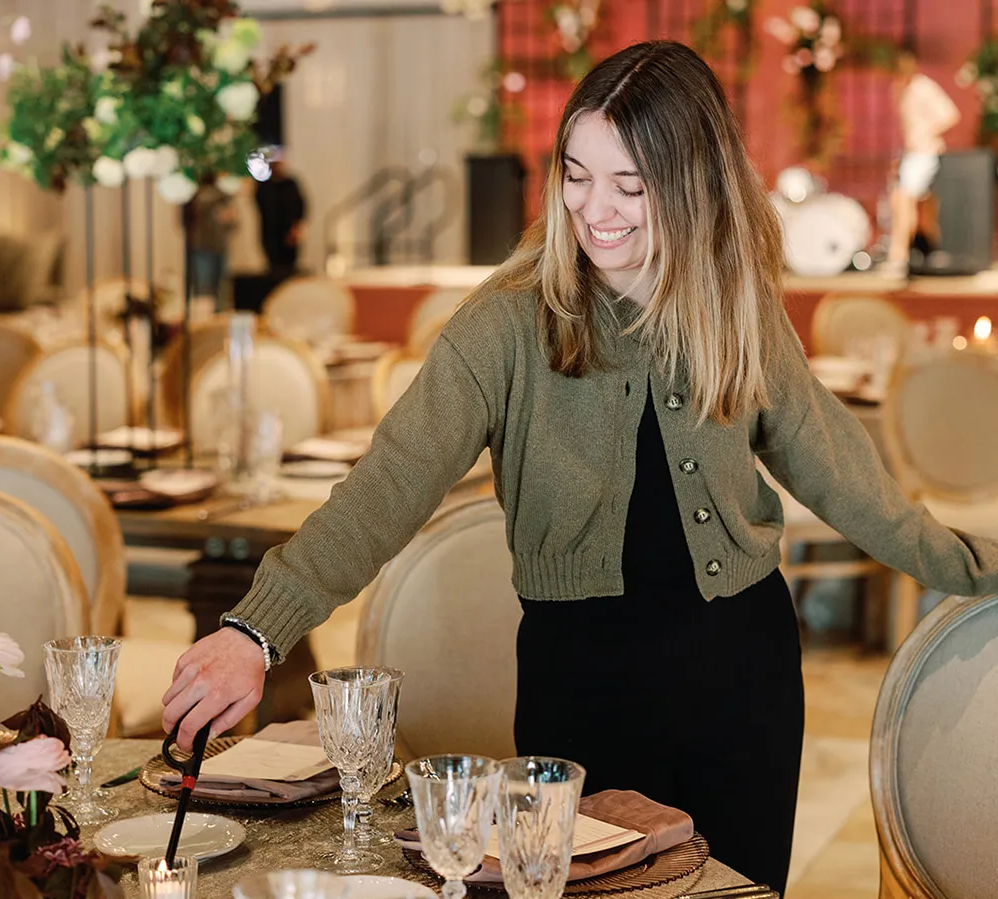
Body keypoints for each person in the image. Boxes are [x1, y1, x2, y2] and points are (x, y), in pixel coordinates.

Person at [162, 42, 998, 895]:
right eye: (577, 174)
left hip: (743, 682)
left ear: (692, 183)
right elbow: (387, 486)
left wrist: (973, 565)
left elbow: (842, 472)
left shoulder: (733, 305)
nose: (597, 210)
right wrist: (256, 630)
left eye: (631, 186)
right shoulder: (505, 327)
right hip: (583, 692)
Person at [884, 49, 961, 273]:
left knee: (903, 199)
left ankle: (898, 255)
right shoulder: (900, 89)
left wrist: (925, 133)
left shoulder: (922, 86)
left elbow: (949, 114)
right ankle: (926, 251)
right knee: (921, 207)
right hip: (913, 153)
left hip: (925, 153)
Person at [254, 149, 308, 281]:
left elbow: (301, 207)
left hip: (288, 232)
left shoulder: (291, 184)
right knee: (273, 266)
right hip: (270, 233)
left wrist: (296, 228)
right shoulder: (265, 186)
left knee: (289, 266)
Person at [187, 182, 237, 311]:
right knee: (204, 294)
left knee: (221, 295)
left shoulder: (226, 195)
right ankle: (203, 326)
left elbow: (232, 223)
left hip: (220, 247)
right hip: (202, 248)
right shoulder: (198, 193)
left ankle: (215, 325)